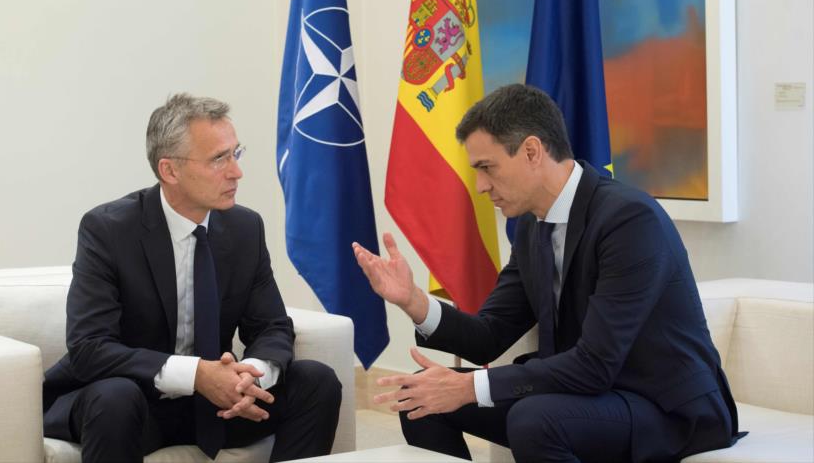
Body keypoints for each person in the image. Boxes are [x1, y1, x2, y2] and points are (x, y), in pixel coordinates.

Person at [353, 84, 741, 462]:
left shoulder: (628, 220)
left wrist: (468, 386)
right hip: (589, 396)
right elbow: (489, 335)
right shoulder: (533, 225)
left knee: (534, 421)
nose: (481, 186)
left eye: (487, 167)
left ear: (532, 151)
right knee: (419, 397)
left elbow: (595, 364)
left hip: (663, 407)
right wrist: (415, 302)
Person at [43, 93, 341, 462]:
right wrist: (198, 375)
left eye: (236, 153)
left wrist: (252, 376)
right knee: (115, 398)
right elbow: (90, 347)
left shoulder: (245, 227)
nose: (236, 172)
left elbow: (272, 327)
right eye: (219, 159)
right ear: (170, 170)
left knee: (317, 382)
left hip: (215, 406)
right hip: (134, 402)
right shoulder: (108, 229)